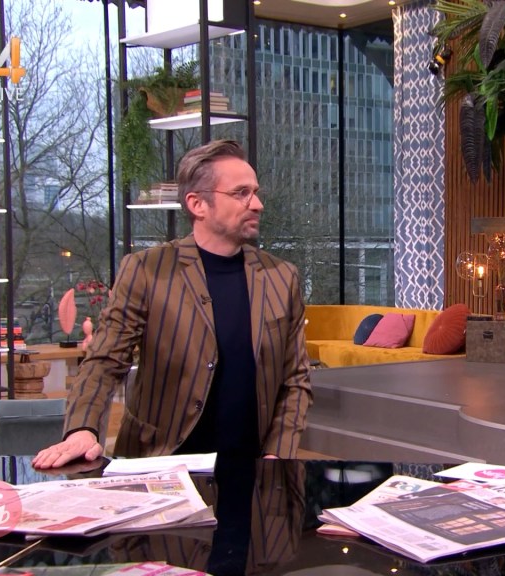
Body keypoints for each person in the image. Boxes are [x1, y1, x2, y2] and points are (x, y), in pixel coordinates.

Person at [33, 139, 312, 470]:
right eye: (241, 193)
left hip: (252, 469)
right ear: (197, 204)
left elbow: (295, 380)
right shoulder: (147, 269)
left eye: (255, 192)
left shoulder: (282, 277)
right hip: (159, 462)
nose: (257, 204)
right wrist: (82, 429)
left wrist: (277, 454)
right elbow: (105, 361)